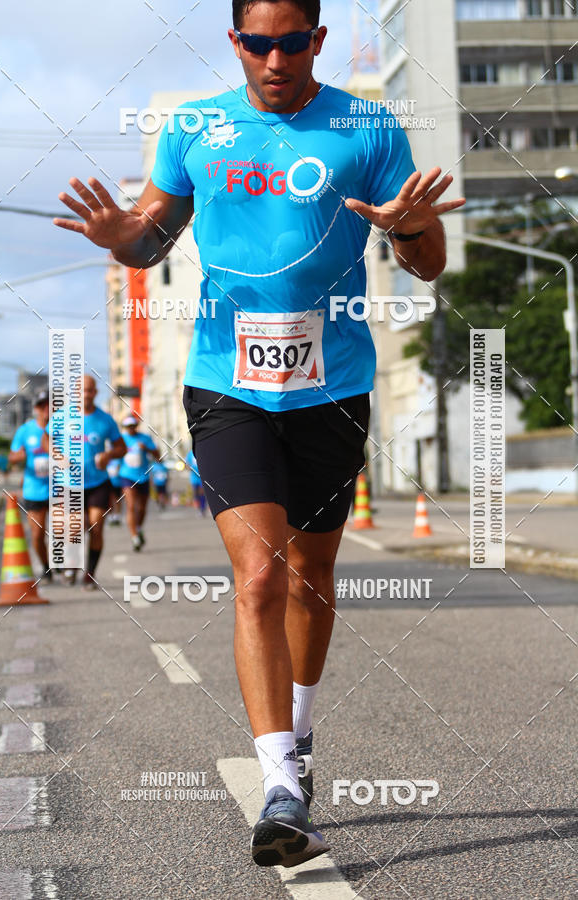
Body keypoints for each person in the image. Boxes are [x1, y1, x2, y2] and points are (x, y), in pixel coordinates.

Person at [54, 0, 465, 868]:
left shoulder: (368, 124)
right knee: (258, 578)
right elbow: (150, 237)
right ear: (235, 41)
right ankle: (278, 782)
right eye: (258, 42)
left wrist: (411, 227)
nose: (275, 58)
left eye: (292, 42)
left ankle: (302, 740)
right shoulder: (195, 127)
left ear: (316, 40)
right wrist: (120, 236)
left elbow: (428, 263)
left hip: (335, 384)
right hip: (224, 385)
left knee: (314, 573)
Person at [44, 375, 126, 589]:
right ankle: (70, 563)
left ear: (95, 392)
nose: (85, 395)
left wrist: (108, 455)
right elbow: (47, 439)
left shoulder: (105, 420)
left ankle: (89, 573)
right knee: (74, 527)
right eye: (81, 391)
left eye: (89, 390)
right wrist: (57, 456)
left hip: (97, 482)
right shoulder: (62, 417)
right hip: (69, 482)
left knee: (96, 526)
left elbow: (121, 447)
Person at [8, 390, 52, 583]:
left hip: (61, 488)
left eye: (50, 404)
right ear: (36, 409)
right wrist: (21, 456)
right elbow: (12, 457)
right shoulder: (25, 431)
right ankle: (46, 566)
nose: (47, 409)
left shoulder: (64, 429)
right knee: (36, 535)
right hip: (34, 489)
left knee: (66, 529)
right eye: (42, 405)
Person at [118, 414, 160, 551]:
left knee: (141, 508)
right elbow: (115, 457)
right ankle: (134, 537)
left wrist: (147, 449)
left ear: (136, 426)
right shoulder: (121, 440)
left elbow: (158, 456)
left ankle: (139, 528)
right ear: (125, 427)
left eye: (133, 426)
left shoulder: (145, 438)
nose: (131, 429)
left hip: (144, 477)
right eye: (128, 426)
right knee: (130, 506)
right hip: (127, 476)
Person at [185, 448, 207, 516]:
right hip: (194, 478)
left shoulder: (201, 450)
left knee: (202, 493)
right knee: (196, 494)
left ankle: (203, 509)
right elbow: (186, 464)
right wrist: (189, 468)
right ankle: (199, 508)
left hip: (202, 476)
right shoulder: (190, 453)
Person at [107, 458, 124, 525]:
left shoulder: (118, 459)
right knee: (109, 501)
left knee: (117, 500)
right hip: (108, 483)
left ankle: (117, 516)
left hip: (117, 483)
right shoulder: (107, 459)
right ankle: (110, 517)